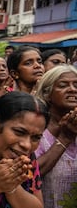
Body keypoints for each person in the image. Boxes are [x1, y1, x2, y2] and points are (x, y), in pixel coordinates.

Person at [35, 65, 77, 208]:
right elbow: (31, 173)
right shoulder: (37, 130)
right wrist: (65, 138)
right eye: (63, 85)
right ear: (47, 94)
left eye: (76, 84)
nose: (72, 89)